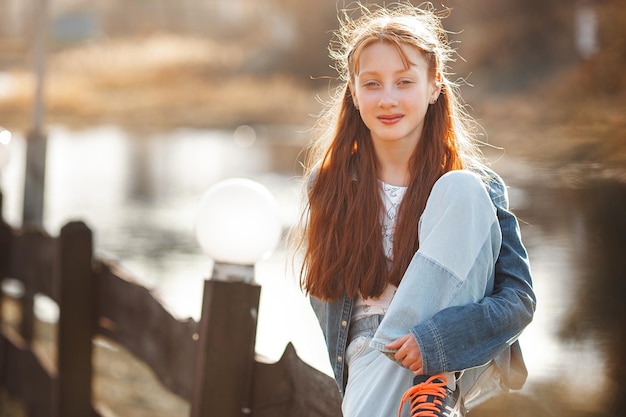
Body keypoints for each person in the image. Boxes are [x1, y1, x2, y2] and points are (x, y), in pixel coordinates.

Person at [291, 3, 536, 417]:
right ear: (352, 91)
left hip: (453, 359)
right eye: (372, 84)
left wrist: (436, 342)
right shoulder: (329, 184)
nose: (388, 99)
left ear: (434, 86)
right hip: (374, 354)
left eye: (404, 82)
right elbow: (325, 296)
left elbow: (518, 302)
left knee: (462, 189)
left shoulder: (479, 188)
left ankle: (435, 387)